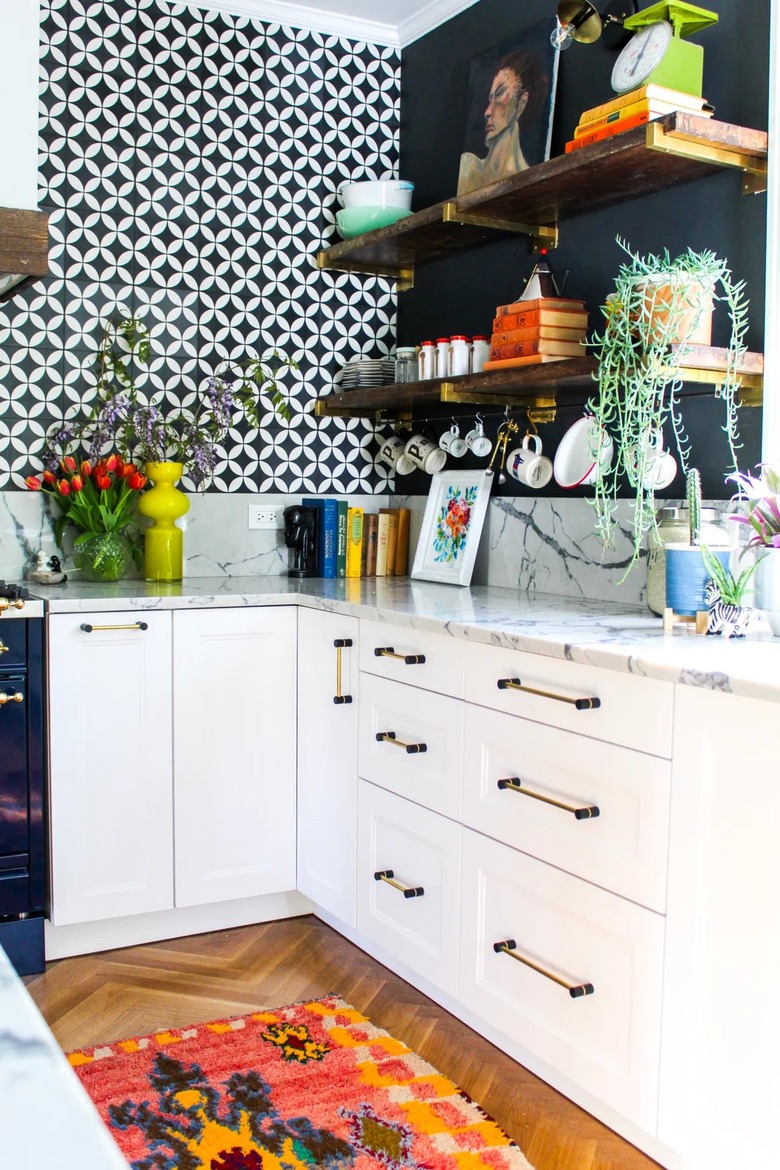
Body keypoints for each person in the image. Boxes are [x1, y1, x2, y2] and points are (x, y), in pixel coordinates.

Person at [457, 50, 544, 195]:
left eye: (499, 95)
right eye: (490, 99)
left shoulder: (530, 181)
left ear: (521, 104)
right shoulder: (468, 166)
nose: (487, 112)